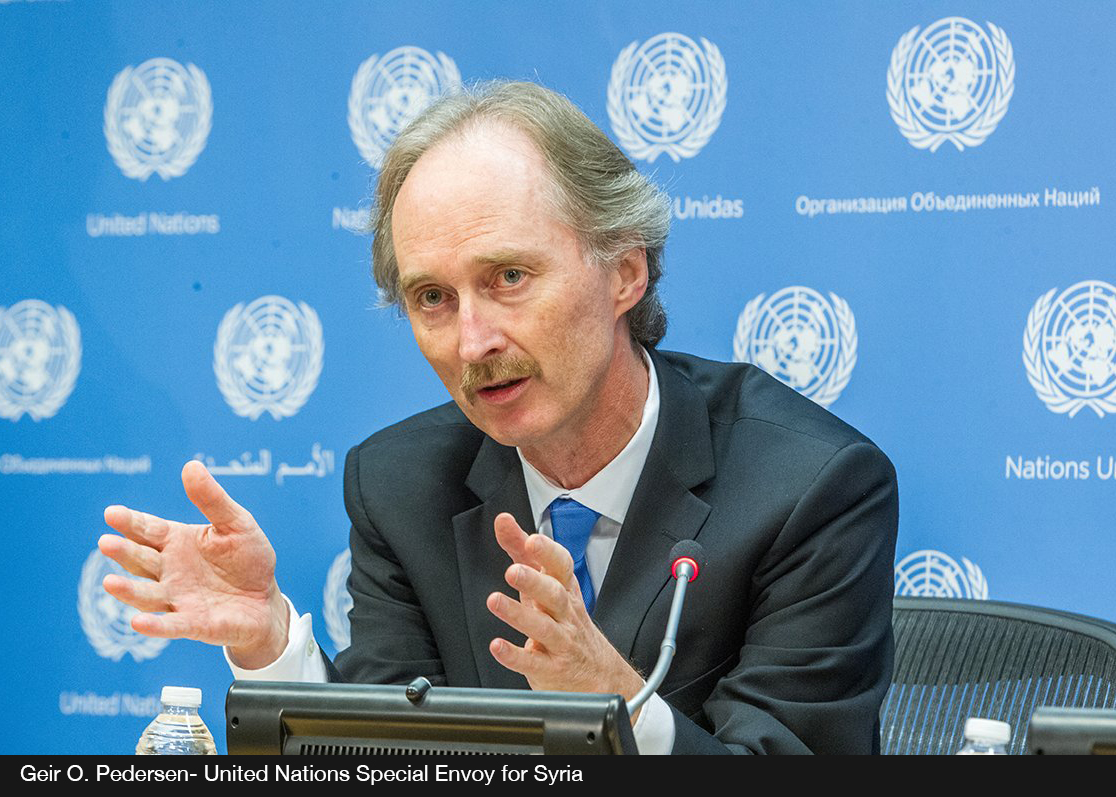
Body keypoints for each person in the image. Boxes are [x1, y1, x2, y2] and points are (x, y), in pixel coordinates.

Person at [100, 81, 898, 754]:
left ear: (624, 272)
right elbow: (387, 755)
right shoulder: (401, 484)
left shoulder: (809, 486)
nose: (472, 341)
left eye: (509, 277)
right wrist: (270, 644)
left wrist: (618, 709)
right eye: (432, 297)